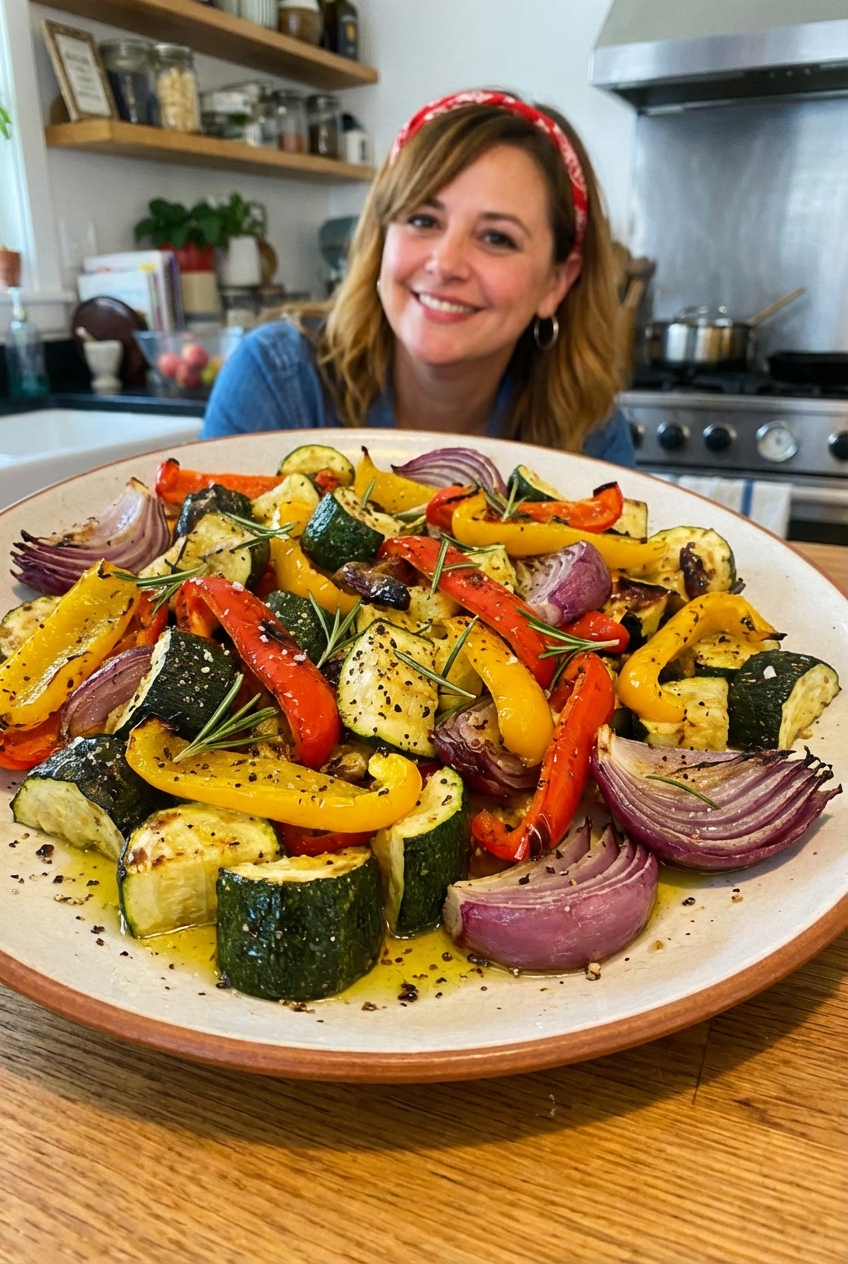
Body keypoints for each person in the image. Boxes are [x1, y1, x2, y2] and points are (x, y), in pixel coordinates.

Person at [202, 89, 634, 467]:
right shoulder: (275, 382)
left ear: (557, 282)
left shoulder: (590, 428)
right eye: (424, 220)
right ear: (381, 239)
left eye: (496, 238)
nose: (445, 263)